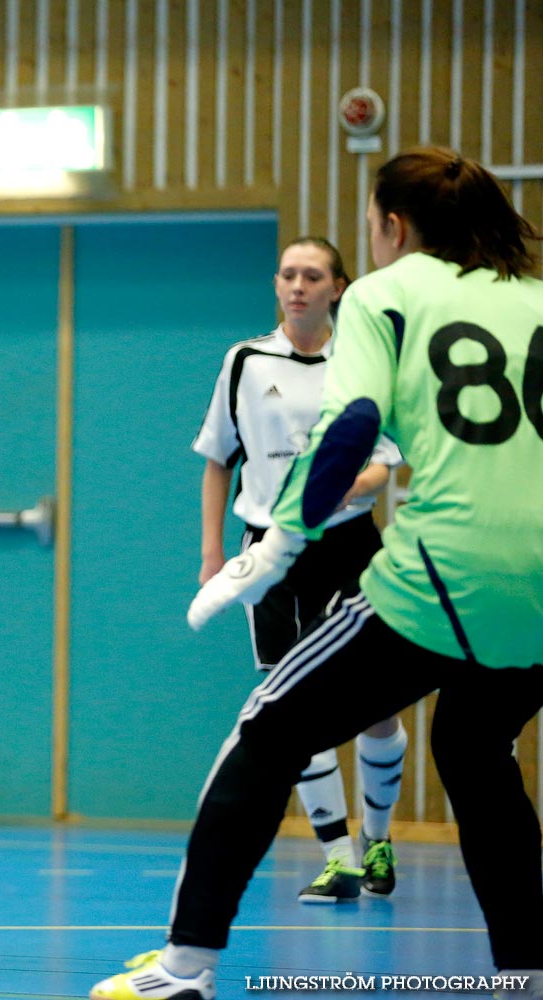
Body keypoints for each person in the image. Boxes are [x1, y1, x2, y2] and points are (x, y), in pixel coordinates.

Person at [90, 147, 543, 1000]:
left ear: (392, 226)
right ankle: (527, 973)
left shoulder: (386, 292)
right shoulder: (537, 300)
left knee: (267, 729)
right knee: (477, 751)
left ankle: (183, 970)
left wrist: (279, 545)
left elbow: (352, 427)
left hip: (445, 575)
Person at [193, 236, 408, 904]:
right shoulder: (246, 361)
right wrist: (213, 555)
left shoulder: (363, 360)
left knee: (374, 707)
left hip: (347, 547)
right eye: (287, 274)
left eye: (312, 275)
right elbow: (218, 460)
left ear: (338, 287)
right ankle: (337, 856)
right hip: (269, 549)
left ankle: (378, 842)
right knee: (291, 701)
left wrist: (334, 490)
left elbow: (386, 458)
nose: (297, 286)